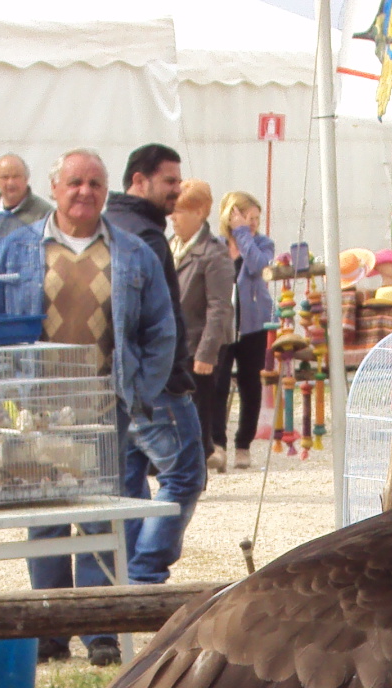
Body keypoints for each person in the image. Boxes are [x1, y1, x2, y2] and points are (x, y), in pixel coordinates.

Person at [0, 148, 176, 667]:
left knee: (101, 518)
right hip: (36, 410)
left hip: (103, 407)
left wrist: (138, 390)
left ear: (107, 189)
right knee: (45, 517)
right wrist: (4, 393)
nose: (84, 192)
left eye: (95, 183)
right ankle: (51, 629)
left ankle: (101, 631)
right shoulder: (16, 251)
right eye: (74, 182)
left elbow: (162, 330)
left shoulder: (134, 255)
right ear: (55, 186)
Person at [103, 142, 208, 584]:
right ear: (138, 181)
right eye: (169, 181)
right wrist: (157, 380)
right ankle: (144, 571)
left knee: (127, 485)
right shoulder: (143, 237)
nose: (177, 190)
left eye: (179, 181)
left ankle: (121, 572)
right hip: (154, 386)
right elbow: (154, 323)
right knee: (185, 473)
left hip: (121, 383)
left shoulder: (115, 227)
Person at [168, 179, 236, 473]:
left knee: (197, 414)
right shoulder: (172, 246)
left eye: (179, 211)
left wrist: (207, 353)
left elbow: (220, 306)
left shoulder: (213, 252)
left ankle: (197, 473)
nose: (173, 217)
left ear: (199, 213)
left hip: (198, 347)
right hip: (173, 346)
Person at [218, 191, 275, 472]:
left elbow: (256, 265)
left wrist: (243, 233)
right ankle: (216, 444)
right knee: (217, 385)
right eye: (246, 217)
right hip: (222, 325)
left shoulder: (262, 244)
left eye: (255, 219)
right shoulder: (215, 245)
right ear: (230, 214)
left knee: (249, 384)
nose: (252, 223)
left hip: (252, 325)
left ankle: (243, 445)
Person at [0, 154, 52, 243]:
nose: (11, 183)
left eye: (16, 176)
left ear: (26, 178)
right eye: (5, 177)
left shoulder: (45, 215)